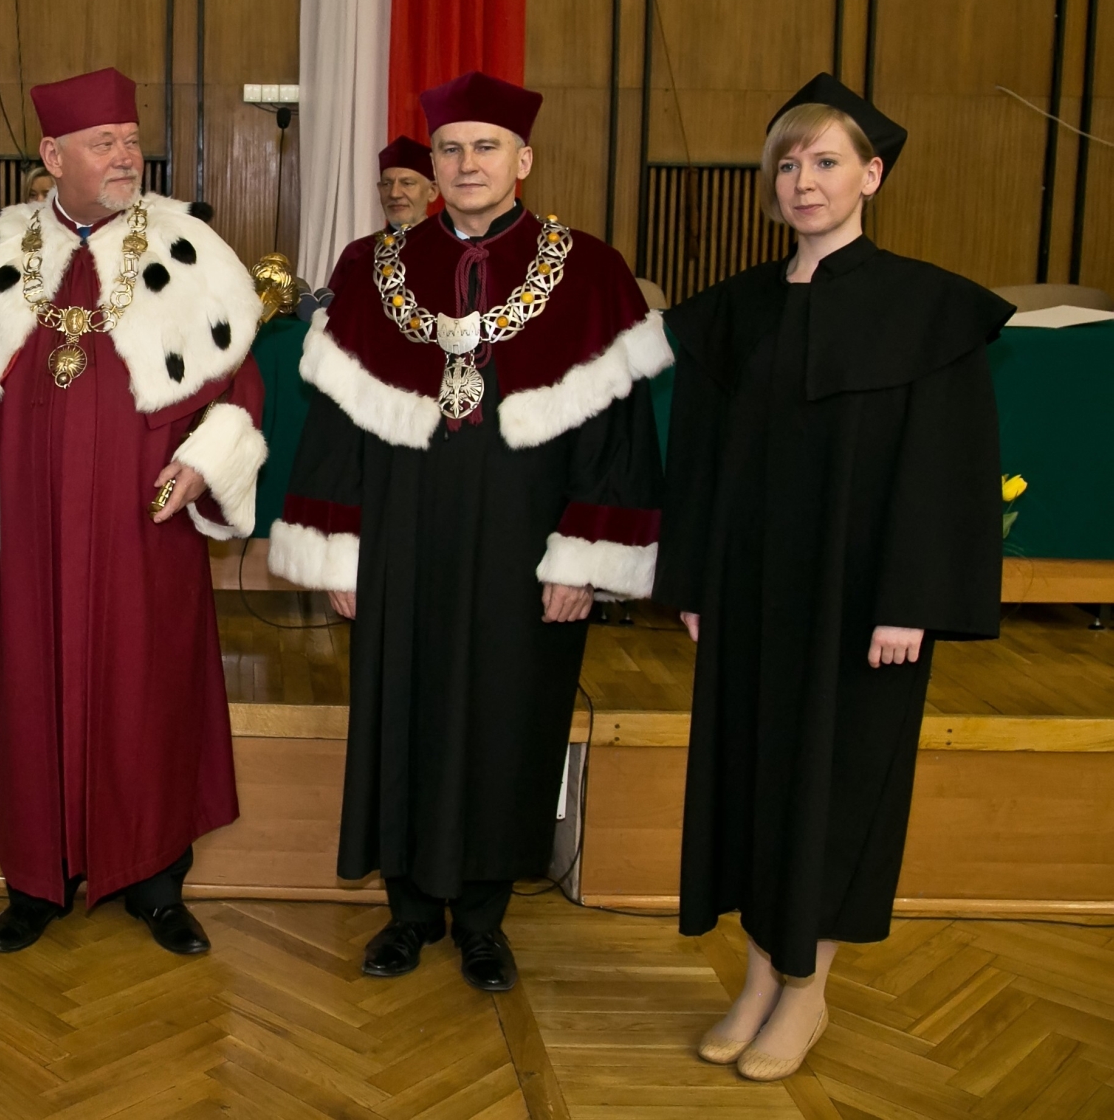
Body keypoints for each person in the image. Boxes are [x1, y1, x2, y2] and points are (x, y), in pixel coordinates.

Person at [268, 70, 668, 994]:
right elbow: (334, 427)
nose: (466, 163)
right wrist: (338, 548)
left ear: (523, 160)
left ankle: (484, 918)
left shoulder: (590, 271)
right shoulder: (373, 269)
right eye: (450, 148)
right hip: (401, 541)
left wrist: (583, 558)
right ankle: (409, 911)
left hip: (526, 547)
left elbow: (618, 437)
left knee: (508, 717)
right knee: (399, 710)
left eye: (486, 146)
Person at [656, 74, 1011, 1081]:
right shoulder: (737, 312)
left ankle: (808, 991)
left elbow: (945, 469)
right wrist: (695, 581)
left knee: (839, 788)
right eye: (787, 164)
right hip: (753, 595)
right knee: (752, 781)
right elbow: (701, 460)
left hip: (865, 606)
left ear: (872, 176)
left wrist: (911, 600)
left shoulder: (927, 309)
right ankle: (759, 976)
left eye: (824, 162)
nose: (802, 181)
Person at [0, 67, 268, 956]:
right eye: (104, 144)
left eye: (131, 142)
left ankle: (156, 881)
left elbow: (239, 385)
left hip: (148, 533)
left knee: (151, 694)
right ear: (53, 154)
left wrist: (202, 463)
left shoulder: (186, 249)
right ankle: (37, 882)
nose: (125, 157)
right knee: (33, 699)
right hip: (30, 539)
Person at [376, 134, 438, 230]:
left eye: (407, 183)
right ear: (379, 190)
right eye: (387, 184)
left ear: (432, 191)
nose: (394, 194)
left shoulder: (450, 240)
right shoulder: (365, 242)